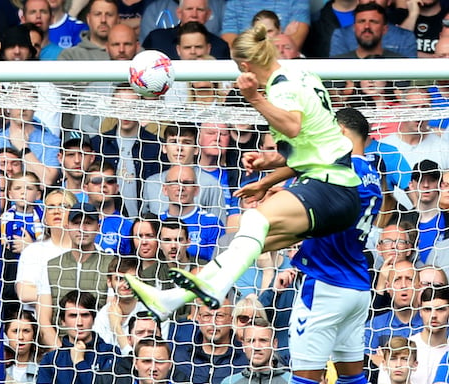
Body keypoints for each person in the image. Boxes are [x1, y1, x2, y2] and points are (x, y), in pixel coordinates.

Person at [225, 106, 421, 384]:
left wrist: (264, 194)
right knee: (353, 377)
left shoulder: (337, 169)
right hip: (357, 287)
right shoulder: (370, 174)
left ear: (341, 133)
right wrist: (267, 178)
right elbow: (301, 163)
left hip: (324, 287)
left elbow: (301, 163)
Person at [124, 25, 360, 322]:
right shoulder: (305, 75)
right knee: (245, 244)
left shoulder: (280, 87)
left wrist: (254, 98)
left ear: (245, 66)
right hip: (339, 190)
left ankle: (216, 288)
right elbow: (312, 147)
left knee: (252, 220)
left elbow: (293, 127)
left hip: (329, 187)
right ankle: (169, 300)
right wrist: (266, 176)